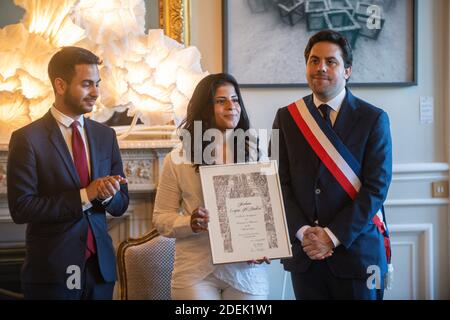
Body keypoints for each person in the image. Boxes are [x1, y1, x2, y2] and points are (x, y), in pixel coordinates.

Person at [271, 30, 392, 300]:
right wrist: (305, 234)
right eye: (314, 61)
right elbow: (279, 184)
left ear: (347, 70)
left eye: (331, 62)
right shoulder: (287, 118)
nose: (320, 68)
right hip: (306, 256)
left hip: (357, 255)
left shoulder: (373, 119)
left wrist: (332, 235)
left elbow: (376, 188)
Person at [7, 46, 129, 300]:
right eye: (86, 84)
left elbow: (121, 204)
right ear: (60, 85)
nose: (95, 92)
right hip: (52, 273)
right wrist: (85, 195)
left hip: (100, 272)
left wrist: (107, 195)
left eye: (97, 83)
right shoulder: (27, 139)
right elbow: (21, 208)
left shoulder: (106, 136)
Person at [153, 73, 270, 300]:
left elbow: (266, 211)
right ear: (205, 108)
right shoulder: (178, 158)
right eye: (221, 101)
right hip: (195, 269)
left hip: (246, 269)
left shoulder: (257, 153)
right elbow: (160, 219)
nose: (231, 107)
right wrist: (190, 222)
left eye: (235, 100)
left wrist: (264, 244)